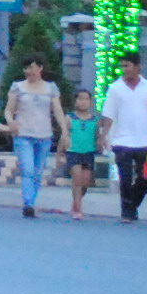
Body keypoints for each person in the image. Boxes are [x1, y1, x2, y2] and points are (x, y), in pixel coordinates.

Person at [102, 60, 147, 222]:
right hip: (122, 140)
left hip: (144, 140)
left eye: (127, 66)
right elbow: (108, 114)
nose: (124, 69)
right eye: (122, 66)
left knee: (146, 176)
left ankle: (132, 204)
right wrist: (103, 136)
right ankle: (127, 211)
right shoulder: (115, 88)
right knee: (125, 177)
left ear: (137, 67)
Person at [3, 60, 61, 217]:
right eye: (26, 67)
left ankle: (32, 201)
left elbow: (57, 111)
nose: (29, 71)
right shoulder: (18, 87)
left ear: (40, 68)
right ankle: (28, 203)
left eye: (32, 67)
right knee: (27, 169)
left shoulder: (50, 88)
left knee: (38, 171)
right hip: (23, 134)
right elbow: (8, 110)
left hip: (44, 134)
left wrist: (64, 131)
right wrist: (11, 122)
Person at [58, 84, 102, 218]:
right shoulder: (69, 118)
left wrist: (100, 144)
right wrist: (60, 153)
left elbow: (97, 137)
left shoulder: (95, 120)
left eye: (86, 99)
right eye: (80, 99)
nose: (83, 102)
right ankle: (78, 209)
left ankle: (76, 202)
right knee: (77, 177)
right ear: (75, 101)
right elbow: (63, 136)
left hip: (88, 152)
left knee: (85, 180)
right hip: (73, 151)